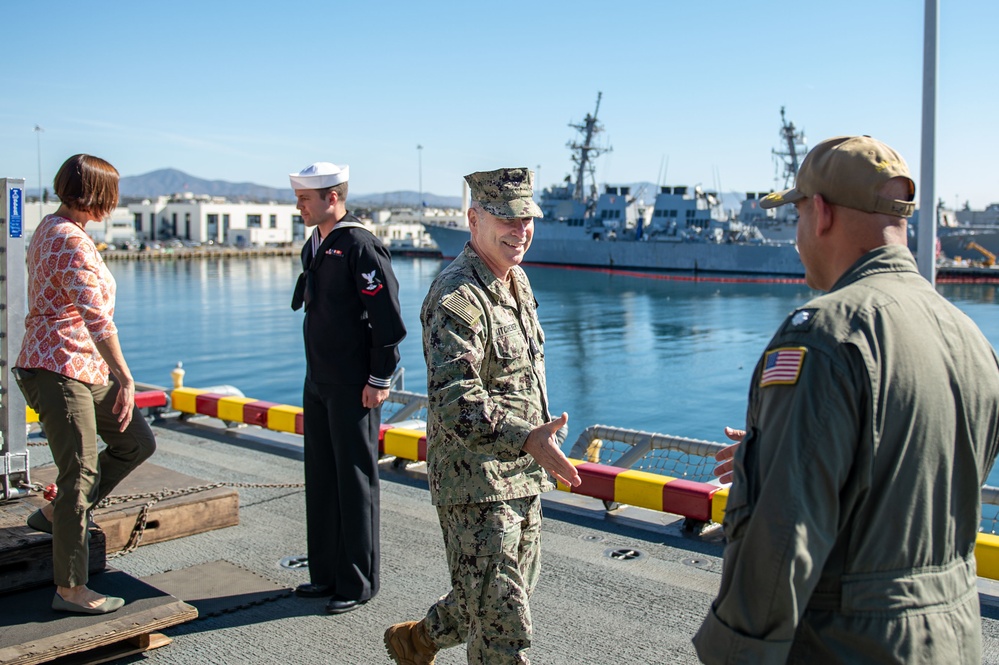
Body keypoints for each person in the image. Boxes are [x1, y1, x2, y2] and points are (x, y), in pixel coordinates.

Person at [693, 136, 999, 664]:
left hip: (844, 646)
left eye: (796, 216)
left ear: (821, 212)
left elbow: (780, 540)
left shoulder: (825, 335)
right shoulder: (969, 338)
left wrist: (734, 654)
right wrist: (778, 442)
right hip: (952, 641)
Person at [385, 167, 581, 664]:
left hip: (525, 476)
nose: (520, 230)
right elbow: (455, 397)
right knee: (503, 630)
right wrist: (524, 438)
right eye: (506, 218)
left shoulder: (516, 280)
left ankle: (417, 641)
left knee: (499, 601)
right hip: (475, 485)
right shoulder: (457, 296)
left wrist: (533, 446)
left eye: (527, 219)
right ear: (473, 219)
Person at [15, 154, 157, 614]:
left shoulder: (56, 229)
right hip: (58, 365)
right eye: (110, 194)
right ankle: (71, 589)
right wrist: (126, 376)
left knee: (135, 441)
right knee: (79, 475)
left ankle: (55, 516)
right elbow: (97, 319)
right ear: (97, 195)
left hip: (83, 365)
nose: (114, 204)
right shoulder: (67, 240)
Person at [289, 161, 406, 615]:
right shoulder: (316, 243)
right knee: (320, 477)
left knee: (355, 480)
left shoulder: (359, 245)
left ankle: (358, 582)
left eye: (305, 199)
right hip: (318, 380)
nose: (299, 206)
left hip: (354, 384)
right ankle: (325, 575)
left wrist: (380, 379)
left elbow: (387, 322)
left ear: (332, 198)